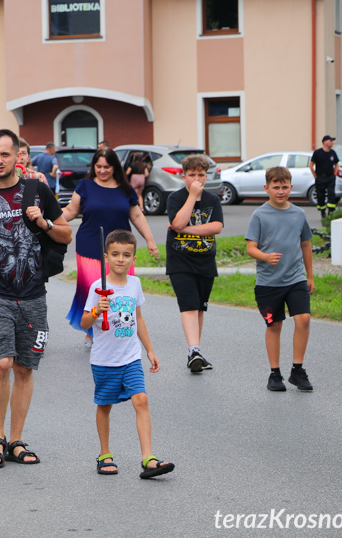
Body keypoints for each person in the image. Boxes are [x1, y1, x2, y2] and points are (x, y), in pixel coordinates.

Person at [0, 129, 71, 468]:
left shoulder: (38, 191)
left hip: (34, 294)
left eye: (5, 154)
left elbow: (65, 233)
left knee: (23, 368)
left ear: (18, 155)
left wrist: (45, 221)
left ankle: (17, 440)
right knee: (2, 362)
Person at [80, 229, 174, 479]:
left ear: (133, 258)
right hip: (104, 359)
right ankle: (105, 453)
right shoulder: (97, 287)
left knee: (141, 399)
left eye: (126, 255)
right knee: (105, 405)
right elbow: (84, 323)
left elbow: (138, 319)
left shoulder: (135, 284)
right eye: (115, 254)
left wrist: (150, 350)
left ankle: (148, 458)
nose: (121, 259)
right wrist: (97, 311)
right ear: (106, 257)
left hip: (130, 357)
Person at [62, 148, 158, 349]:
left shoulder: (126, 189)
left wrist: (150, 240)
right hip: (90, 246)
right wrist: (47, 221)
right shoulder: (85, 186)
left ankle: (117, 328)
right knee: (94, 290)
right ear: (93, 167)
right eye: (98, 166)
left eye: (107, 167)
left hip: (121, 249)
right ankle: (91, 331)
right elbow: (71, 211)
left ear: (115, 167)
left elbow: (137, 216)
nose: (102, 171)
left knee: (119, 291)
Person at [245, 166, 315, 392]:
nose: (281, 191)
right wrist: (265, 256)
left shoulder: (298, 214)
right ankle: (275, 374)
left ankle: (298, 370)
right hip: (268, 283)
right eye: (276, 187)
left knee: (303, 318)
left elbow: (305, 244)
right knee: (274, 324)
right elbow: (250, 248)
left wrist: (310, 276)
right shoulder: (259, 215)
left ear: (291, 187)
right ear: (267, 188)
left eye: (285, 187)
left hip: (296, 279)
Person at [166, 155, 223, 373]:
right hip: (180, 260)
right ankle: (194, 350)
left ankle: (196, 350)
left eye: (201, 174)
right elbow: (177, 221)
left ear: (206, 176)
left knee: (199, 306)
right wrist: (192, 196)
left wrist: (185, 229)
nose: (197, 178)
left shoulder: (213, 200)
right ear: (184, 176)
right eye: (192, 175)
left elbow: (216, 227)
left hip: (206, 261)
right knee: (189, 304)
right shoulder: (176, 198)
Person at [310, 134, 340, 218]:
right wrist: (315, 176)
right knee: (321, 195)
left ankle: (330, 212)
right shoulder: (317, 153)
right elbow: (311, 165)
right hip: (320, 177)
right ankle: (322, 212)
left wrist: (334, 173)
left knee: (331, 194)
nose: (332, 143)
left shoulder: (333, 153)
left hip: (330, 177)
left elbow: (336, 164)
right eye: (330, 141)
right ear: (325, 142)